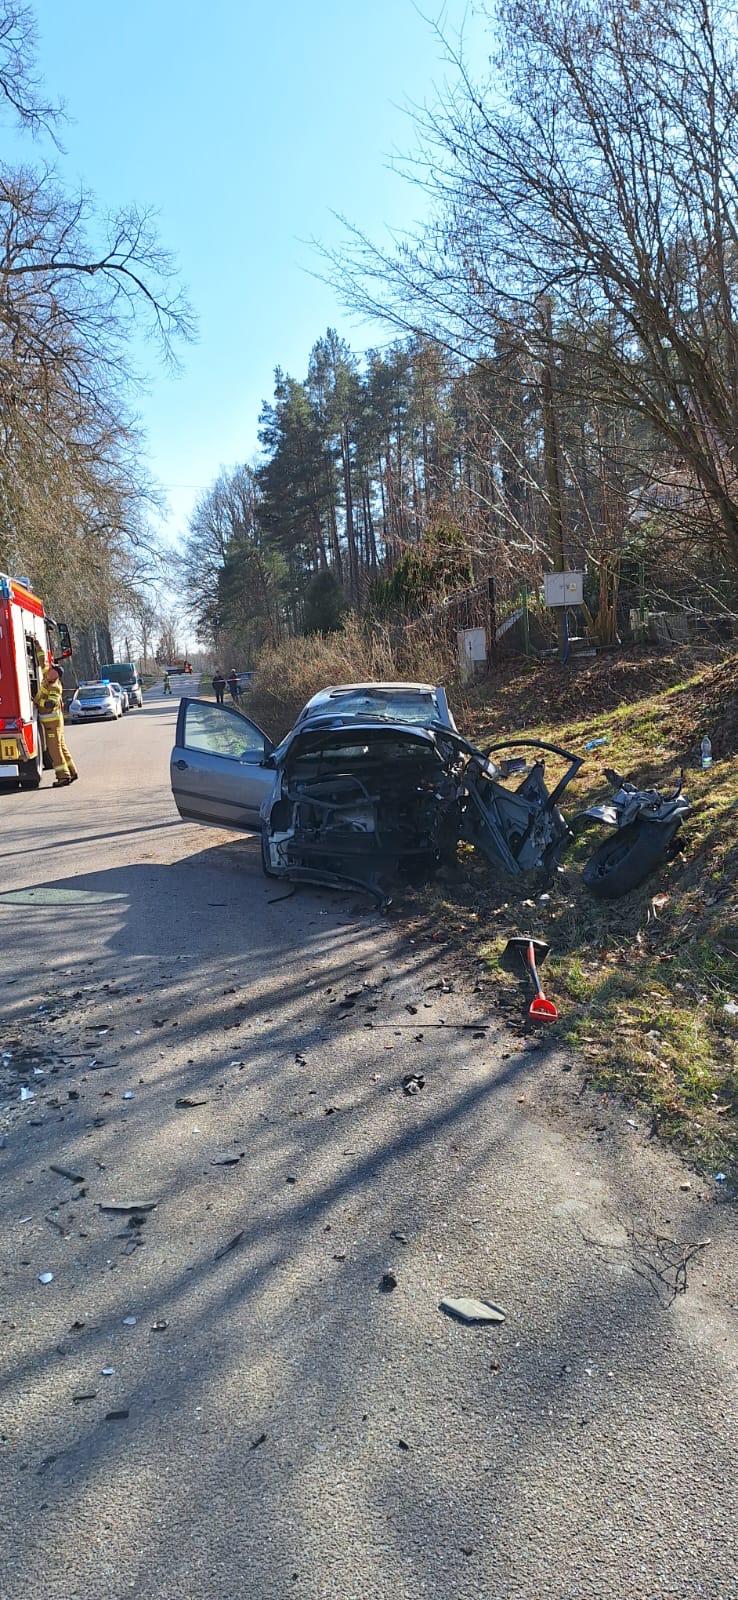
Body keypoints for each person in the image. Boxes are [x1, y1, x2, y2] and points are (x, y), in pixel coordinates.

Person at [34, 661, 78, 788]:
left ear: (56, 675)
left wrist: (37, 701)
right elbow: (43, 663)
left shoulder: (54, 687)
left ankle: (63, 776)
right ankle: (72, 771)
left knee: (54, 750)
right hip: (53, 723)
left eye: (52, 670)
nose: (49, 670)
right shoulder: (47, 679)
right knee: (61, 747)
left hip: (52, 724)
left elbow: (50, 704)